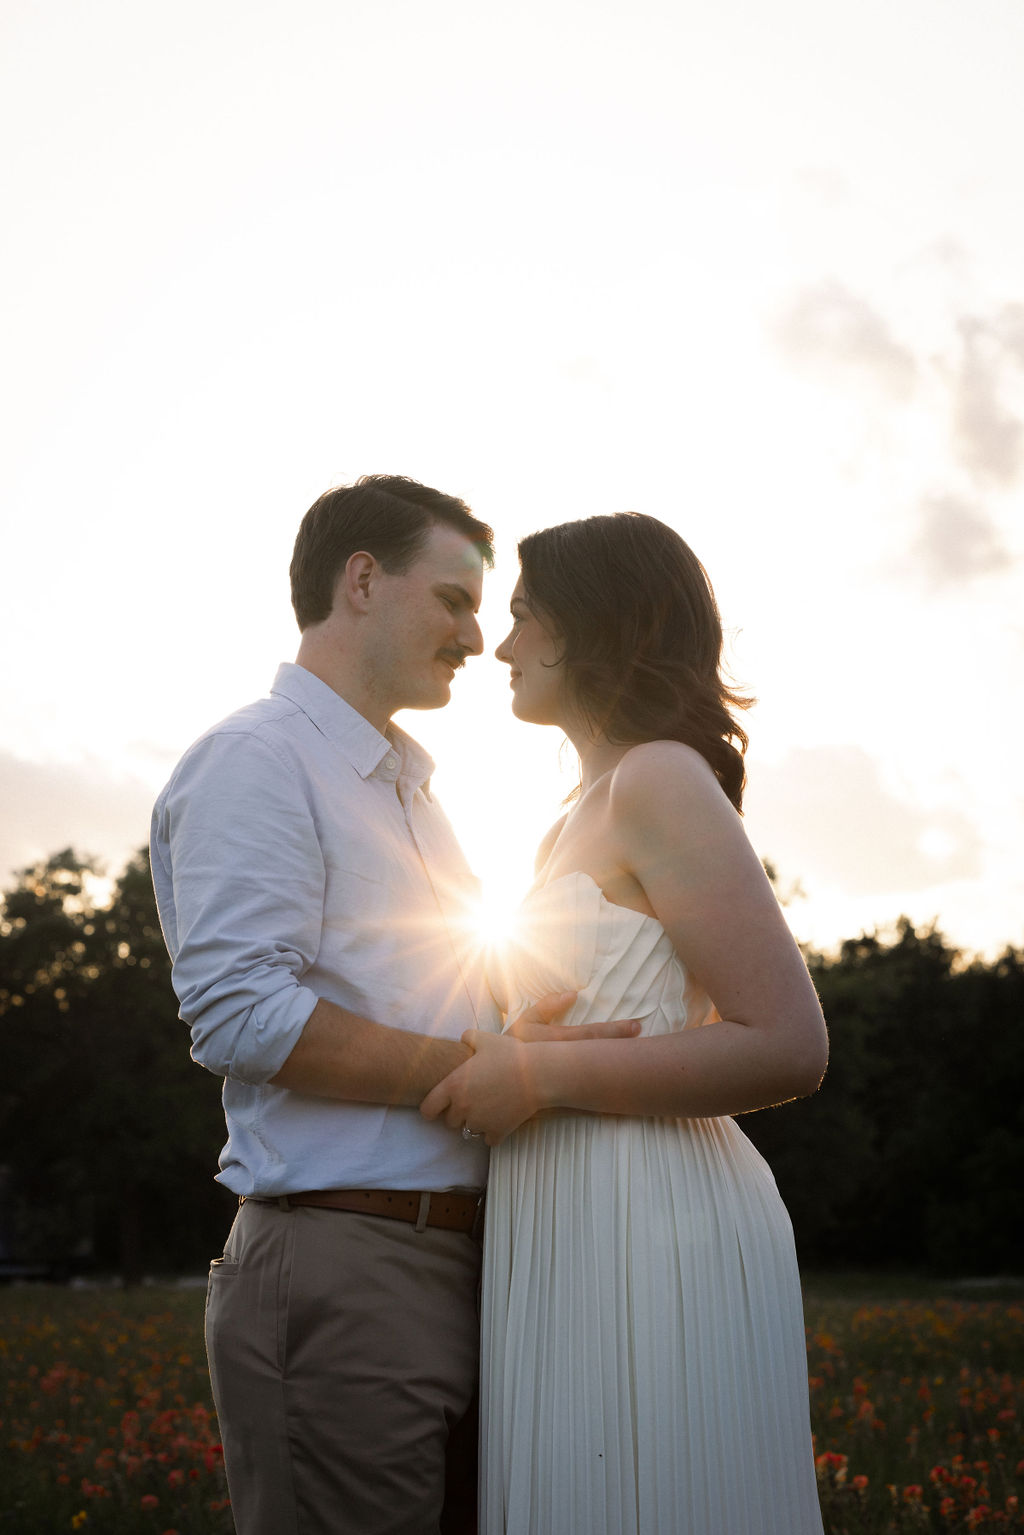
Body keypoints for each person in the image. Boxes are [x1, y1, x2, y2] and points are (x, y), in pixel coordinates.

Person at [150, 475, 632, 1535]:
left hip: (471, 1266)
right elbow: (240, 1014)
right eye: (455, 599)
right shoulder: (259, 759)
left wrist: (526, 1041)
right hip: (345, 1262)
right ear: (361, 580)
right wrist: (474, 1068)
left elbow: (441, 995)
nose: (474, 635)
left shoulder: (411, 791)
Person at [422, 511, 830, 1535]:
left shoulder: (658, 776)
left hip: (650, 1213)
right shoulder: (574, 809)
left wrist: (541, 1079)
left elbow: (787, 1039)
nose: (500, 647)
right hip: (563, 1211)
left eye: (521, 616)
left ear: (594, 627)